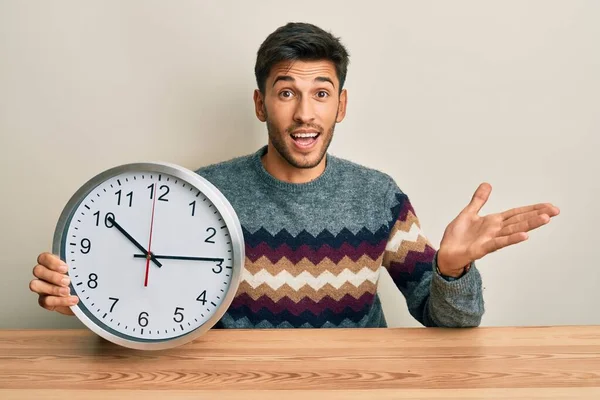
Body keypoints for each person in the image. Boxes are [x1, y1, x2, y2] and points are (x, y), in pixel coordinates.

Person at [29, 22, 559, 328]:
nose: (305, 113)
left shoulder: (377, 196)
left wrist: (451, 270)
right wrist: (87, 300)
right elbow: (150, 306)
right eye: (287, 93)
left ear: (341, 106)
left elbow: (451, 322)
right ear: (261, 104)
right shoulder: (198, 195)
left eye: (321, 94)